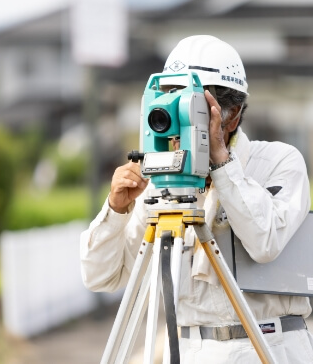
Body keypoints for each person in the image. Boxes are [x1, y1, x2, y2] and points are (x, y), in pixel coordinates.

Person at [80, 35, 313, 363]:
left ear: (231, 115)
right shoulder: (159, 188)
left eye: (192, 107)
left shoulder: (278, 162)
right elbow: (100, 277)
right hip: (194, 350)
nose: (178, 119)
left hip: (272, 347)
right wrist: (116, 209)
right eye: (170, 101)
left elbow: (264, 241)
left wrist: (220, 163)